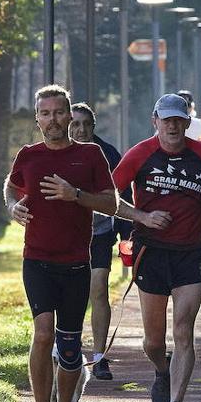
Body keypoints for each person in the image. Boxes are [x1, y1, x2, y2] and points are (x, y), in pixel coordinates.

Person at [112, 94, 201, 402]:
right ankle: (161, 368)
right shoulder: (140, 154)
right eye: (166, 119)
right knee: (153, 340)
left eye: (178, 120)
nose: (172, 125)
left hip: (189, 254)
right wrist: (143, 216)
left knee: (183, 331)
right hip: (150, 252)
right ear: (155, 121)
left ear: (186, 122)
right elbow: (109, 195)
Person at [4, 85, 119, 402]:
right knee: (43, 333)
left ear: (70, 115)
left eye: (58, 113)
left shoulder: (91, 156)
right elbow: (12, 186)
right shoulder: (28, 155)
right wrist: (13, 207)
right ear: (37, 118)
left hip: (75, 263)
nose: (52, 120)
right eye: (45, 114)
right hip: (36, 259)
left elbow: (111, 203)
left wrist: (76, 195)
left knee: (69, 348)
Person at [67, 102, 124, 382]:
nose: (80, 130)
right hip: (64, 235)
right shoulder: (56, 152)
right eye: (75, 124)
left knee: (98, 289)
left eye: (86, 124)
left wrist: (128, 237)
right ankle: (68, 350)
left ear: (93, 126)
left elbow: (122, 197)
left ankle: (99, 356)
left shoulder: (108, 154)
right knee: (69, 294)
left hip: (99, 233)